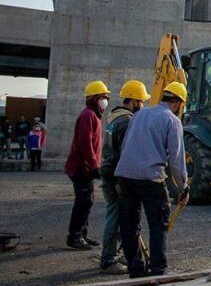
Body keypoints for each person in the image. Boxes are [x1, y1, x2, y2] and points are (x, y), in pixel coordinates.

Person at [115, 82, 189, 278]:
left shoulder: (139, 115)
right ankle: (157, 270)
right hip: (150, 178)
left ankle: (135, 269)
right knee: (158, 224)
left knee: (129, 225)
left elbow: (126, 146)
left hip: (125, 175)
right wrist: (184, 188)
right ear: (179, 103)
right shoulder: (172, 121)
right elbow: (176, 160)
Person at [99, 80, 151, 275]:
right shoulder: (127, 122)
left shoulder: (114, 118)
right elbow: (125, 154)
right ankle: (108, 259)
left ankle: (117, 253)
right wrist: (122, 182)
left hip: (108, 170)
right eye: (141, 101)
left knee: (118, 215)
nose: (143, 105)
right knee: (115, 215)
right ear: (134, 101)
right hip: (116, 174)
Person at [64, 80, 110, 250]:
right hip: (80, 167)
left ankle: (82, 234)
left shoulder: (94, 116)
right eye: (103, 98)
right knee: (83, 200)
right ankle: (75, 236)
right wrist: (93, 165)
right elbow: (85, 143)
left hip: (85, 167)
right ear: (94, 99)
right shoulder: (88, 115)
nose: (105, 101)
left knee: (87, 200)